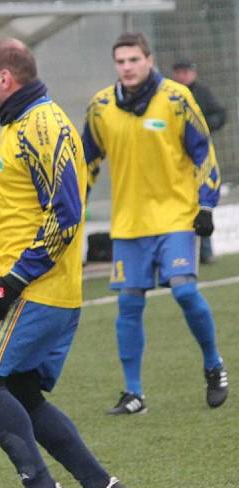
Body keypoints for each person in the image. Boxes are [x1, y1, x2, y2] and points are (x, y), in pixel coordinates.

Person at [0, 39, 133, 488]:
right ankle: (101, 487)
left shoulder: (44, 124)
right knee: (21, 392)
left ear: (6, 78)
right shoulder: (18, 124)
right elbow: (17, 204)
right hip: (39, 287)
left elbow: (66, 214)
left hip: (36, 290)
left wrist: (12, 279)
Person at [83, 33, 228, 414]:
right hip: (129, 224)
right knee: (128, 306)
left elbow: (203, 152)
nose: (127, 67)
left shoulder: (177, 99)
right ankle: (134, 394)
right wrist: (71, 204)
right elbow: (88, 162)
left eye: (134, 59)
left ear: (149, 59)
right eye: (121, 61)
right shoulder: (100, 107)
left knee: (183, 290)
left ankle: (214, 365)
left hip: (176, 216)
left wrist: (207, 205)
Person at [171, 58, 227, 265]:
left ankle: (205, 250)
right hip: (175, 161)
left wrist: (203, 128)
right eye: (179, 71)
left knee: (202, 199)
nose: (182, 75)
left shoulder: (202, 93)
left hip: (199, 157)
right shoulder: (169, 95)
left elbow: (220, 114)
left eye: (186, 71)